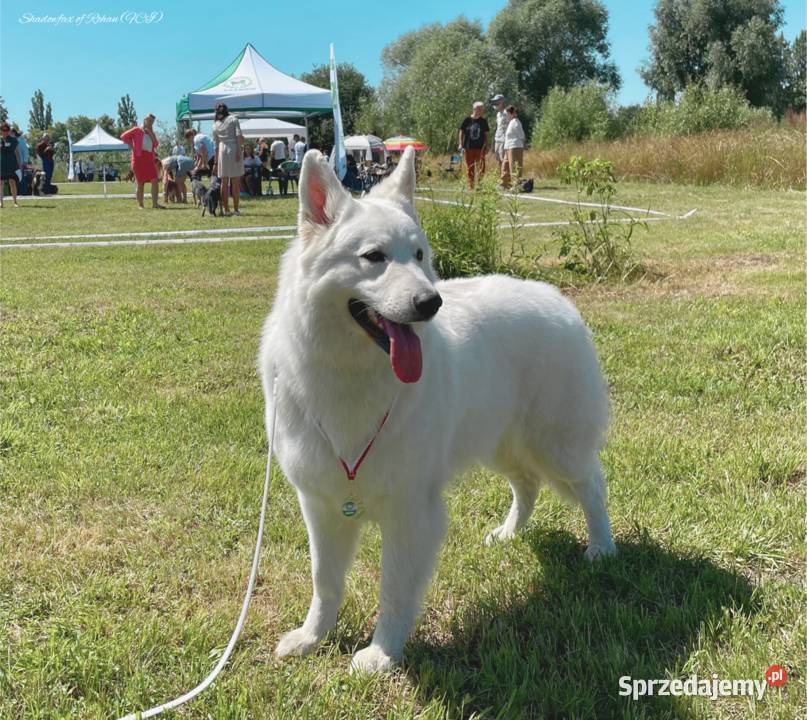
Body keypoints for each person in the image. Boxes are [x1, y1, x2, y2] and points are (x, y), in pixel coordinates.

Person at [121, 113, 164, 209]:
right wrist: (132, 147)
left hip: (149, 158)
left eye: (152, 122)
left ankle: (155, 204)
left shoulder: (151, 131)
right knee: (140, 182)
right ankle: (140, 205)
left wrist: (151, 133)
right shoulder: (136, 130)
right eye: (149, 120)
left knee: (155, 180)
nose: (150, 123)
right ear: (144, 119)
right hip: (138, 159)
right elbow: (123, 136)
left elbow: (156, 144)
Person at [211, 102, 245, 216]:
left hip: (222, 150)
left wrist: (215, 162)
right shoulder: (233, 119)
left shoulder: (215, 124)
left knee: (224, 182)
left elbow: (215, 145)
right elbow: (239, 136)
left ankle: (226, 210)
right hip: (233, 148)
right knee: (235, 181)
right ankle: (235, 209)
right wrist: (239, 150)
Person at [458, 101, 489, 187]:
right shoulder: (467, 120)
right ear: (474, 109)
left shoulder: (483, 121)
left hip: (480, 148)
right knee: (470, 167)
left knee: (481, 167)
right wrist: (461, 144)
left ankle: (479, 185)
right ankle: (470, 185)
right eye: (478, 109)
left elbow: (486, 134)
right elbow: (461, 132)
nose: (480, 111)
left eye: (482, 109)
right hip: (469, 147)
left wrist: (486, 145)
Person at [502, 105, 526, 189]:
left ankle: (516, 184)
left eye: (507, 114)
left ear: (510, 113)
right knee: (507, 166)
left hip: (515, 146)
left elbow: (522, 136)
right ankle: (506, 184)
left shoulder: (516, 122)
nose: (506, 116)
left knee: (514, 166)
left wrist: (521, 147)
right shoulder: (511, 122)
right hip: (508, 147)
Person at [0, 122, 21, 208]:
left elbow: (17, 152)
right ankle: (1, 203)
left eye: (7, 130)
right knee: (0, 183)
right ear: (1, 131)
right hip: (1, 163)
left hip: (12, 163)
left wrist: (19, 163)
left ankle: (15, 202)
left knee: (12, 183)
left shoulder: (13, 140)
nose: (5, 132)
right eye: (3, 130)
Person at [491, 94, 508, 173]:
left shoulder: (507, 112)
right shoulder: (498, 114)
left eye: (496, 101)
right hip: (497, 139)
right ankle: (501, 177)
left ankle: (505, 179)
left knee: (504, 159)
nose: (495, 103)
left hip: (504, 140)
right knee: (498, 160)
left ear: (501, 102)